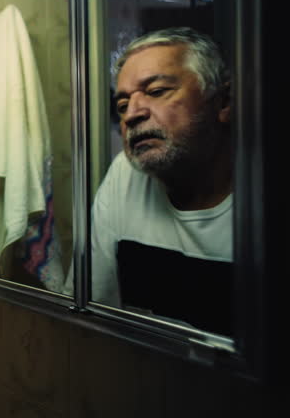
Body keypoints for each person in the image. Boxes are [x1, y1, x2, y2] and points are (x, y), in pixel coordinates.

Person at [90, 27, 233, 335]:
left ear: (223, 102)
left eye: (156, 92)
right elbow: (96, 314)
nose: (131, 115)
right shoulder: (125, 174)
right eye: (122, 105)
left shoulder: (282, 189)